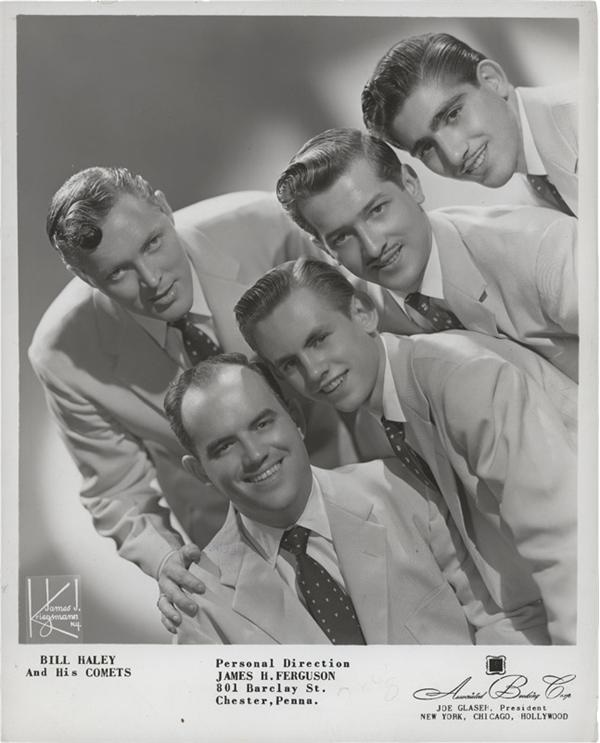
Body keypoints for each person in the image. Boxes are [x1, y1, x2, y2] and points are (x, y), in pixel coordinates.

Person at [29, 167, 357, 634]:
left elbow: (365, 338)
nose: (152, 279)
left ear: (164, 208)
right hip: (237, 540)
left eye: (153, 243)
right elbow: (116, 490)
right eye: (118, 272)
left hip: (357, 471)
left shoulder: (265, 227)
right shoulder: (63, 355)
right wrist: (166, 561)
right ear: (84, 276)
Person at [234, 259, 578, 644]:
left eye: (318, 339)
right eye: (290, 364)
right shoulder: (376, 426)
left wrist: (571, 676)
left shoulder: (462, 379)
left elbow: (566, 538)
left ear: (362, 313)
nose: (314, 371)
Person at [163, 353, 548, 644]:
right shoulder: (200, 600)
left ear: (296, 419)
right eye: (224, 446)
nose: (254, 454)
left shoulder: (404, 489)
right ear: (199, 472)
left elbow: (505, 619)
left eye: (262, 424)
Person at [276, 128, 578, 380]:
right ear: (325, 249)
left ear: (411, 185)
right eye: (342, 237)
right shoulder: (359, 322)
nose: (372, 246)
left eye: (377, 210)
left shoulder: (538, 246)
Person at [361, 32, 577, 216]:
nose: (454, 155)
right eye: (427, 148)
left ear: (492, 80)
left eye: (453, 115)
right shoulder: (529, 204)